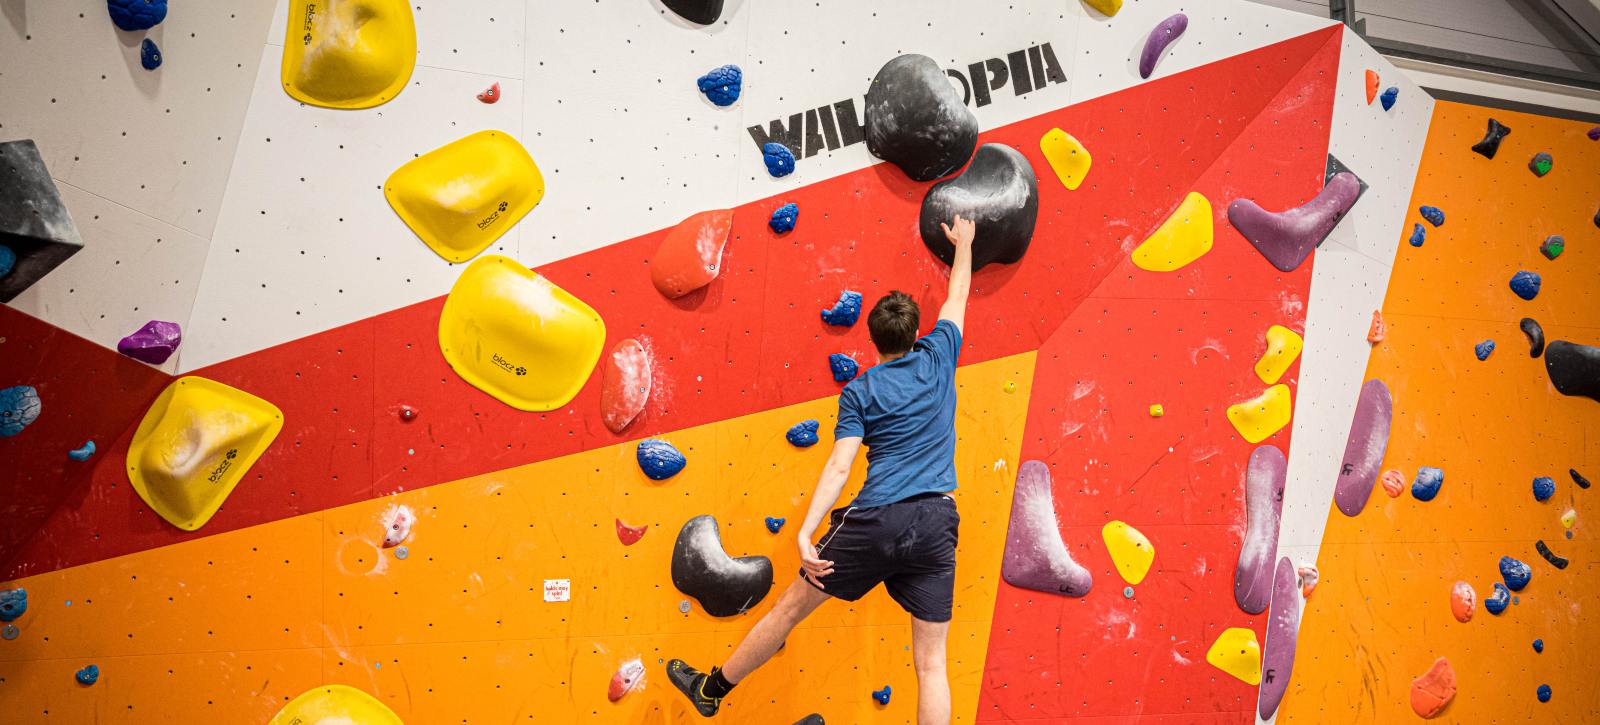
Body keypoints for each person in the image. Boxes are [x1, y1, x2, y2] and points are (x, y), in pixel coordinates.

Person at [667, 214, 976, 724]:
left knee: (789, 610)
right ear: (917, 333)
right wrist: (963, 244)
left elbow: (839, 466)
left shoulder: (861, 390)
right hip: (937, 522)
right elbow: (958, 297)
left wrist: (807, 531)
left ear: (874, 344)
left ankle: (711, 690)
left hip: (878, 520)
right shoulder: (940, 355)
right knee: (932, 662)